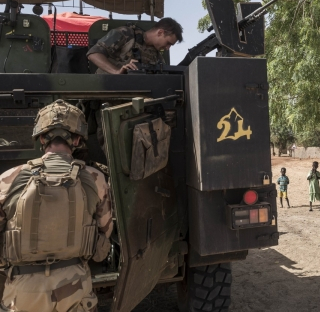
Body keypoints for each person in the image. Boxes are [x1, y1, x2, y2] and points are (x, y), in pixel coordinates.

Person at [0, 100, 113, 312]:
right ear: (78, 140)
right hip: (76, 286)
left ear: (41, 138)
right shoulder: (95, 179)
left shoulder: (9, 178)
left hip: (23, 291)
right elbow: (104, 235)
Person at [86, 17, 183, 74]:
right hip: (108, 92)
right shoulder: (126, 34)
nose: (167, 48)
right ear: (160, 33)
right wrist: (116, 71)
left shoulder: (157, 57)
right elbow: (93, 53)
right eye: (168, 43)